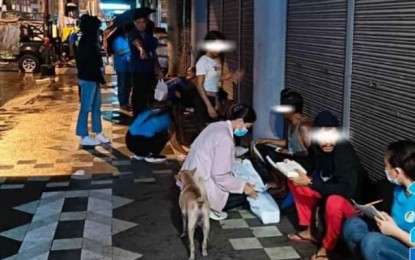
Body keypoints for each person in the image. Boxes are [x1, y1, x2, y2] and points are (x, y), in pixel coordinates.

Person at [286, 110, 366, 260]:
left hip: (351, 202)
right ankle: (310, 231)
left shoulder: (344, 152)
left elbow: (346, 190)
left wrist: (311, 183)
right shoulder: (317, 147)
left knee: (333, 202)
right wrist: (291, 165)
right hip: (330, 189)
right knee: (295, 180)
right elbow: (311, 165)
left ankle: (327, 248)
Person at [178, 104, 258, 221]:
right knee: (245, 196)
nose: (246, 130)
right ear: (240, 121)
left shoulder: (215, 126)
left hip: (189, 181)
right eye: (248, 126)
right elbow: (220, 176)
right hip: (202, 188)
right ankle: (209, 208)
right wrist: (244, 187)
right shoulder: (225, 138)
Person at [343, 140, 415, 260]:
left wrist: (395, 231)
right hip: (394, 241)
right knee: (353, 224)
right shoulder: (398, 189)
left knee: (372, 242)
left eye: (385, 166)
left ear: (397, 172)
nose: (384, 170)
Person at [194, 30, 243, 129]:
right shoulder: (203, 61)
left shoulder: (217, 60)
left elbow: (215, 78)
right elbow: (199, 85)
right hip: (204, 100)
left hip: (215, 99)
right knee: (206, 132)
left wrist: (232, 74)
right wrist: (209, 106)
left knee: (214, 130)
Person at [254, 89, 312, 168]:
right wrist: (266, 141)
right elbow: (290, 142)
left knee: (270, 156)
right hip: (290, 158)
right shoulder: (290, 122)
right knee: (260, 147)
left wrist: (291, 153)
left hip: (300, 162)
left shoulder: (304, 126)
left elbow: (311, 153)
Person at [75, 14, 109, 146]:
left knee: (96, 106)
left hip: (93, 79)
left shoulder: (90, 42)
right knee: (86, 107)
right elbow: (89, 64)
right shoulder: (87, 43)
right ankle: (83, 135)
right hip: (88, 79)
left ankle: (98, 132)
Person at [129, 10, 163, 118]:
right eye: (138, 22)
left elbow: (154, 54)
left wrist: (158, 68)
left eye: (143, 22)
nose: (141, 25)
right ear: (134, 23)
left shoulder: (149, 36)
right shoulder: (133, 33)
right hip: (138, 71)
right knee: (139, 96)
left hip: (150, 71)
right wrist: (141, 50)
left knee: (150, 95)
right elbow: (136, 41)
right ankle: (137, 119)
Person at [112, 27, 132, 111]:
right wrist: (130, 48)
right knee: (122, 85)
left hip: (130, 66)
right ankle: (122, 103)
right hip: (121, 66)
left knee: (128, 85)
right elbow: (119, 52)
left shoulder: (130, 39)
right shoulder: (118, 40)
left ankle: (126, 102)